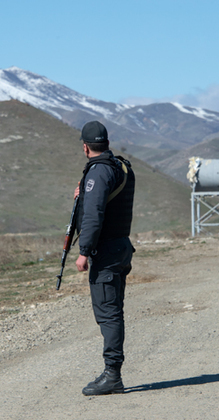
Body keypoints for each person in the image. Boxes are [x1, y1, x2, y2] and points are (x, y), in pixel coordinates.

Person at [73, 121, 135, 396]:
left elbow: (94, 214)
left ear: (85, 147)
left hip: (106, 252)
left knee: (108, 315)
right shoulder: (121, 167)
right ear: (107, 143)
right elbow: (106, 204)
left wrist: (83, 251)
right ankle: (112, 372)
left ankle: (112, 375)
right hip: (121, 246)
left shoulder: (98, 172)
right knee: (114, 312)